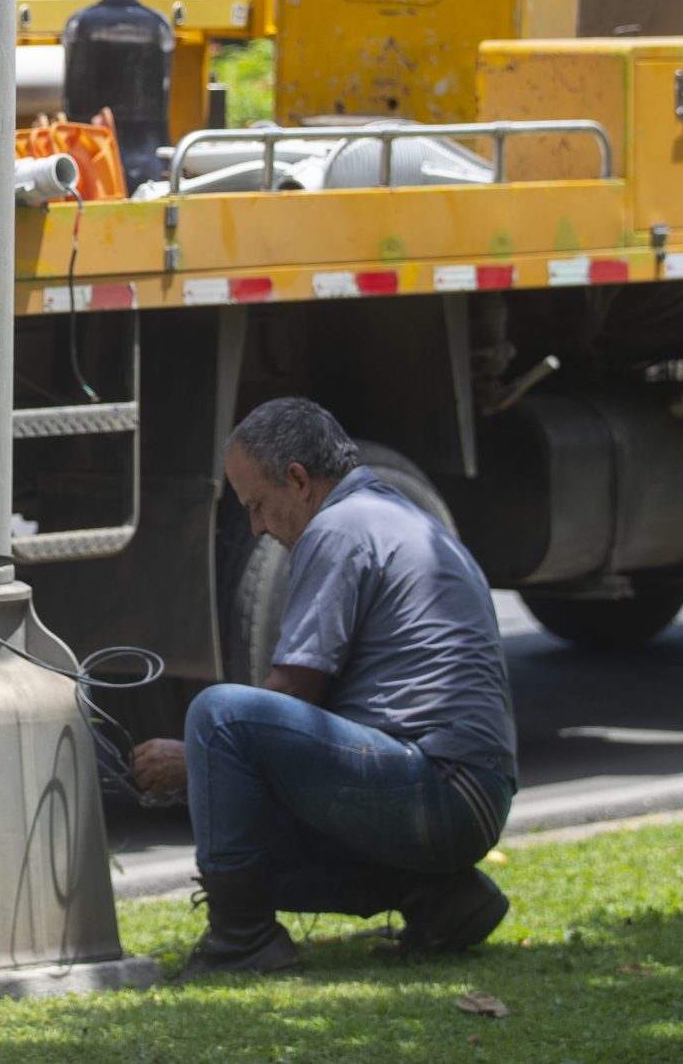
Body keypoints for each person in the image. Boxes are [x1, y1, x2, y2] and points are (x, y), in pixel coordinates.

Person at [131, 396, 519, 977]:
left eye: (259, 505)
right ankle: (441, 899)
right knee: (252, 852)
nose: (258, 527)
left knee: (219, 715)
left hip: (438, 785)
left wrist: (199, 761)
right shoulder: (392, 513)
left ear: (298, 480)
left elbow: (294, 693)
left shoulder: (338, 525)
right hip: (470, 794)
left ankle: (242, 942)